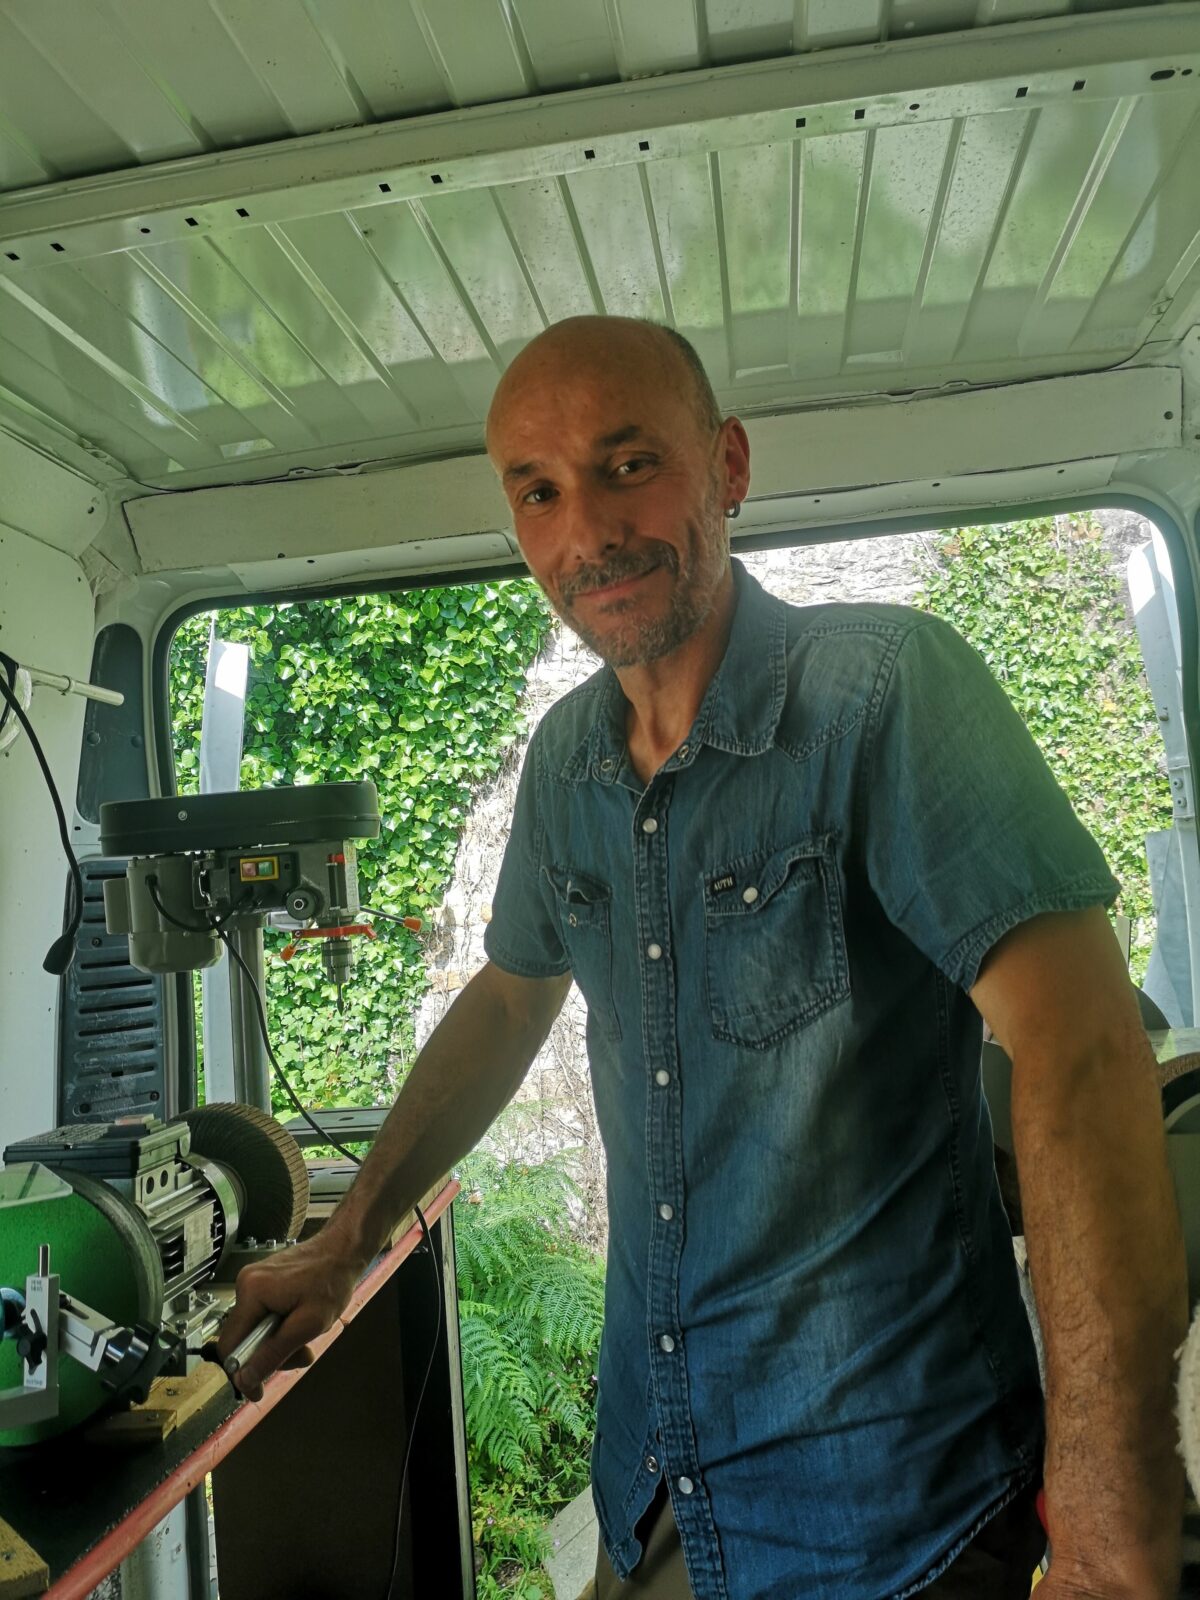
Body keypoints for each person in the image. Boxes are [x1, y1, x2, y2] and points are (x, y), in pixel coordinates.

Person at [217, 316, 1187, 1599]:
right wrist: (347, 1239)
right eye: (539, 492)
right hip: (658, 1479)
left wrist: (1114, 1514)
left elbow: (1083, 1045)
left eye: (630, 466)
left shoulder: (886, 695)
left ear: (727, 466)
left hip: (893, 1502)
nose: (588, 533)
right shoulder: (566, 762)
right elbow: (509, 998)